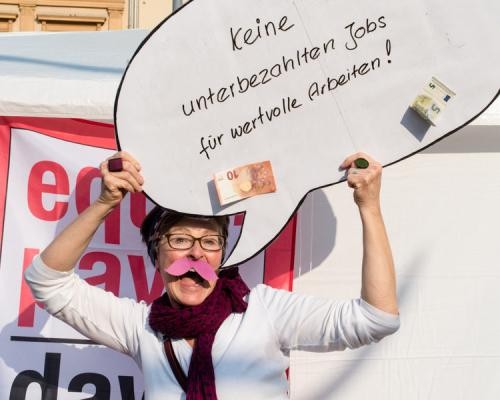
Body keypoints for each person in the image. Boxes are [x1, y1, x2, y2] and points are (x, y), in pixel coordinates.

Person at [25, 151, 400, 400]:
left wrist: (369, 206)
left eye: (210, 242)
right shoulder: (141, 326)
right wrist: (105, 203)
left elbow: (376, 318)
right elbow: (47, 281)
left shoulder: (264, 311)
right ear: (157, 252)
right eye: (181, 239)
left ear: (223, 256)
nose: (195, 253)